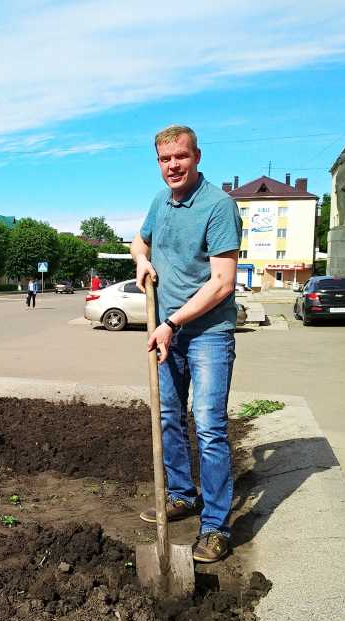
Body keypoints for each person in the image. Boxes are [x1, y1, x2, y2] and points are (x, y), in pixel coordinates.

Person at [130, 124, 241, 564]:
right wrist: (141, 260)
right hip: (167, 332)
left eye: (180, 156)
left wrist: (171, 322)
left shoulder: (218, 206)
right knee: (168, 416)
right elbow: (141, 239)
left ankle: (215, 527)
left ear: (196, 157)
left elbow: (222, 283)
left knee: (209, 426)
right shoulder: (161, 202)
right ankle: (181, 495)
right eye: (164, 159)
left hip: (207, 333)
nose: (172, 166)